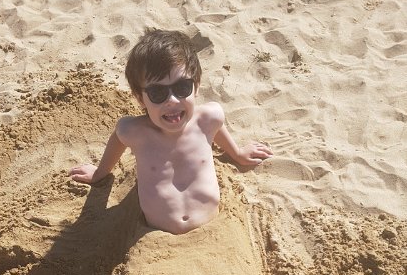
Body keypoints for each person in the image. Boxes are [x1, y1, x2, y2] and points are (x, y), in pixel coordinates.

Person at [69, 29, 273, 234]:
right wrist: (100, 172)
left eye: (182, 87)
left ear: (196, 87)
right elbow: (118, 138)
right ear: (141, 98)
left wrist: (237, 153)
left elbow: (217, 127)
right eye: (158, 92)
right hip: (154, 238)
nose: (172, 100)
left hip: (213, 231)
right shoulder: (136, 132)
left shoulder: (208, 118)